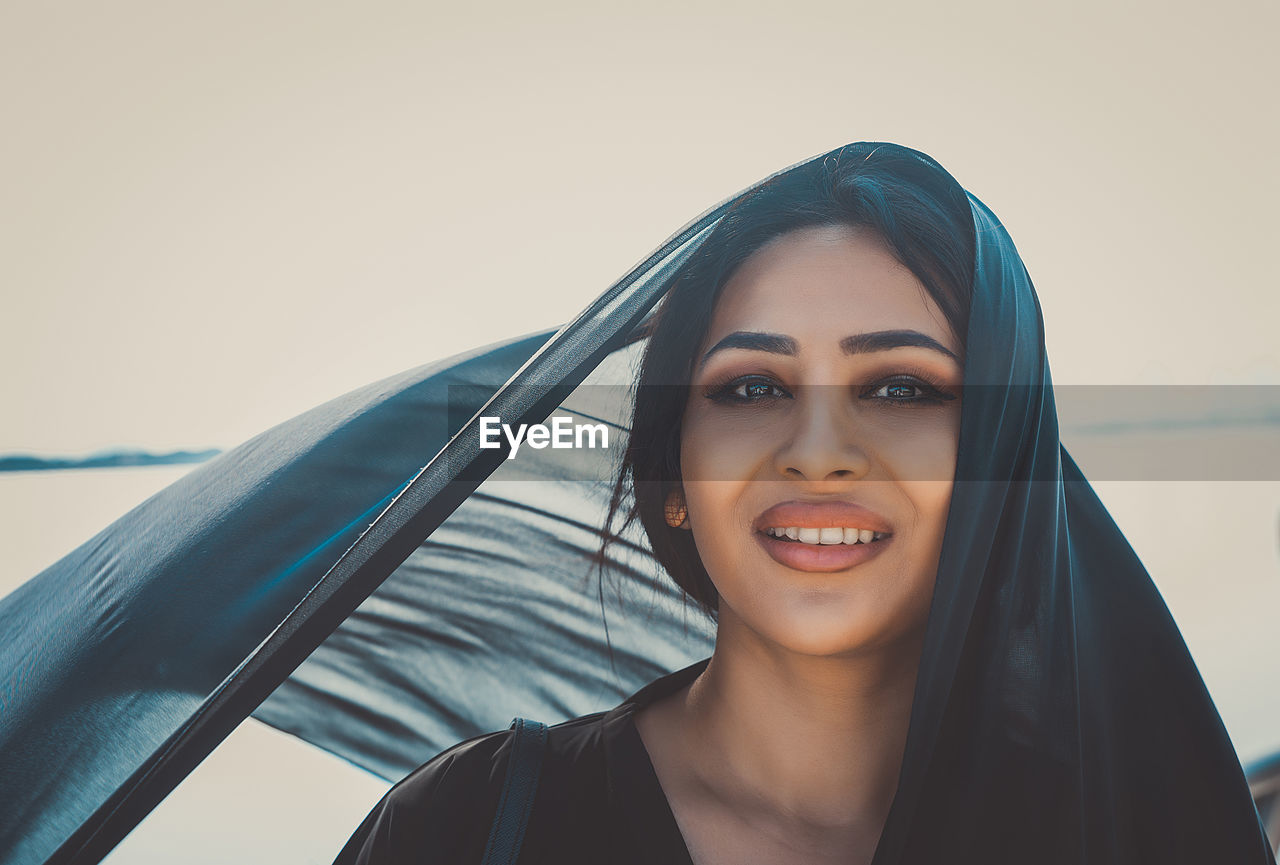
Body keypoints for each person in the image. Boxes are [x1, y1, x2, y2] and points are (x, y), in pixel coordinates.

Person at [331, 142, 1276, 865]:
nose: (819, 455)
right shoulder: (461, 833)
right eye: (751, 387)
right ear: (673, 483)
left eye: (902, 387)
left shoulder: (1123, 838)